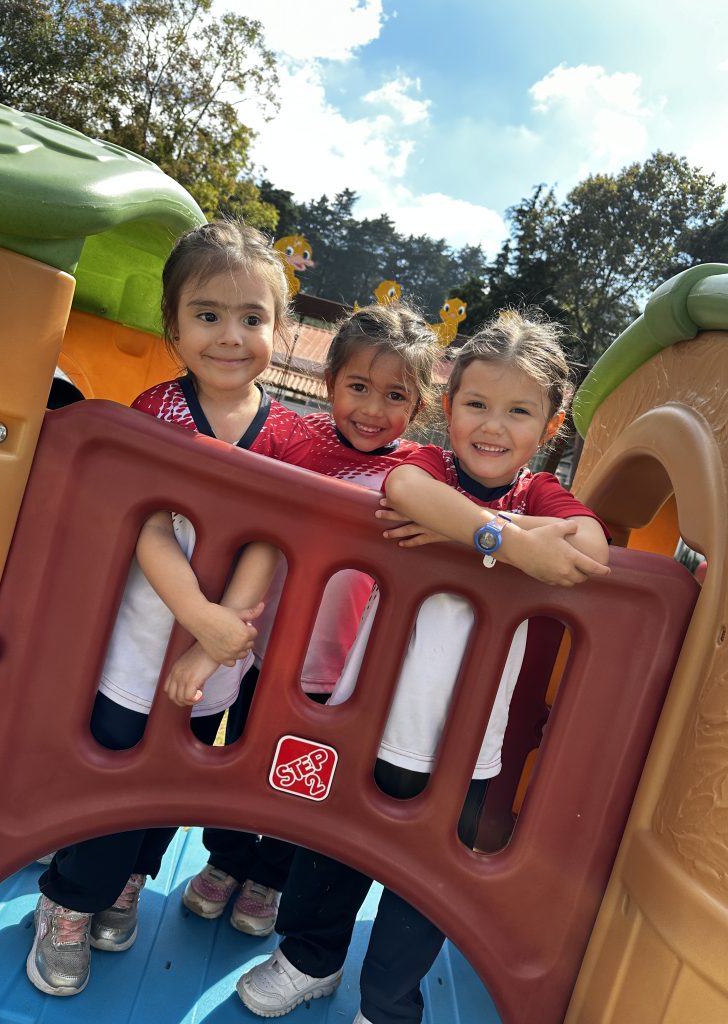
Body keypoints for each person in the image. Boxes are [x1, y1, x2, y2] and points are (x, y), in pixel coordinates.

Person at [235, 310, 611, 1024]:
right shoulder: (429, 467)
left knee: (427, 877)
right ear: (448, 409)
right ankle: (310, 959)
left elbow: (587, 544)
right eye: (475, 404)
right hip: (368, 707)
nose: (492, 426)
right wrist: (507, 541)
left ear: (551, 426)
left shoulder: (538, 498)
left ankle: (388, 1002)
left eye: (518, 411)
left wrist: (489, 536)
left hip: (467, 738)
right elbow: (406, 495)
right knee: (332, 842)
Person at [26, 219, 315, 997]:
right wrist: (195, 615)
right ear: (174, 327)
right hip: (141, 637)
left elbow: (271, 536)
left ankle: (127, 879)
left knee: (169, 777)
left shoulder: (285, 433)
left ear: (278, 330)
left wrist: (217, 639)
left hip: (222, 644)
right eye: (208, 315)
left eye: (252, 318)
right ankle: (66, 903)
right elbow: (151, 524)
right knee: (115, 768)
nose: (231, 336)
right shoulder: (160, 410)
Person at [177, 303, 438, 938]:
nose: (373, 410)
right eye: (358, 388)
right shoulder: (298, 438)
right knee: (239, 753)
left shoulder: (423, 470)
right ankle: (226, 859)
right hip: (263, 648)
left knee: (303, 776)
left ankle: (270, 874)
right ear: (330, 384)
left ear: (420, 403)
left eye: (395, 395)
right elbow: (231, 464)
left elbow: (460, 515)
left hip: (338, 668)